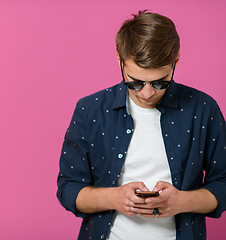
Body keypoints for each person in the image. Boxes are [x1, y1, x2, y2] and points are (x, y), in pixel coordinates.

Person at [56, 10, 226, 240]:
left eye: (160, 83)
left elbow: (223, 183)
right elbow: (68, 188)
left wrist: (182, 201)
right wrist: (114, 198)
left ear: (176, 60)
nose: (147, 93)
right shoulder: (90, 110)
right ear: (120, 59)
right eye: (135, 83)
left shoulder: (204, 109)